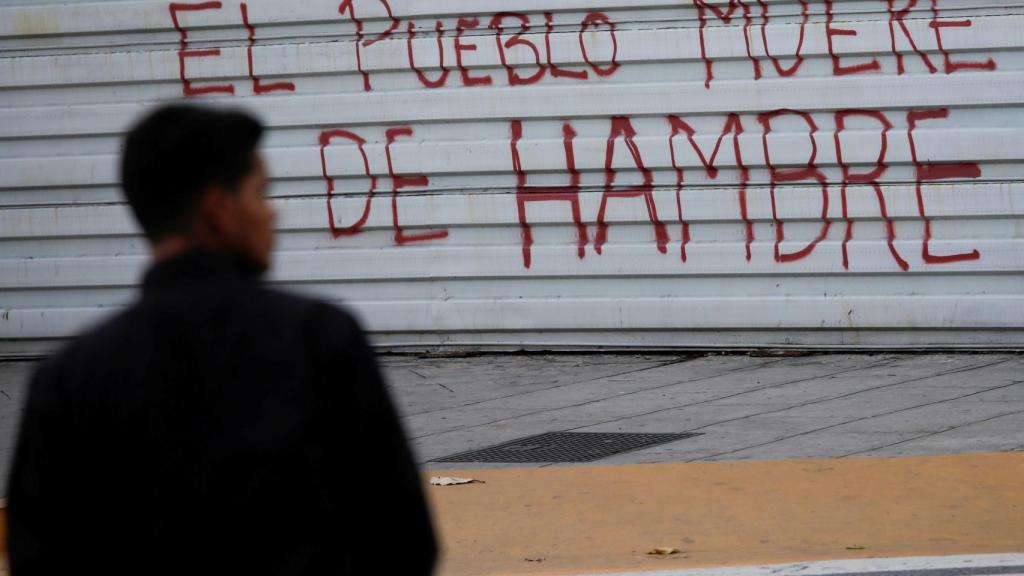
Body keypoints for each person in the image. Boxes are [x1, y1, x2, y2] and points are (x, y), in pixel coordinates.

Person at [5, 104, 437, 575]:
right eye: (260, 193)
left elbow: (38, 556)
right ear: (219, 210)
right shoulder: (319, 340)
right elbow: (404, 541)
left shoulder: (69, 379)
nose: (273, 214)